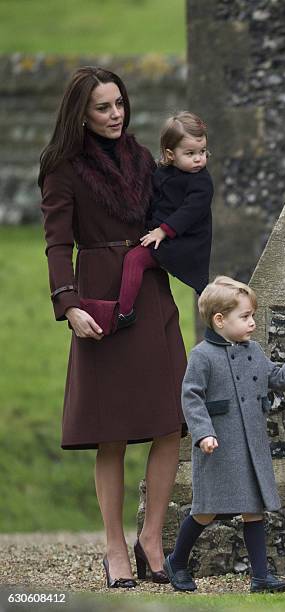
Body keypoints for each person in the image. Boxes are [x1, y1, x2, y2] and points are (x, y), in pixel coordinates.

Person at [39, 66, 187, 588]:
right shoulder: (62, 168)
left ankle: (151, 538)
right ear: (81, 113)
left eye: (119, 103)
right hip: (101, 299)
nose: (115, 114)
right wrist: (69, 303)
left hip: (150, 293)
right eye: (103, 107)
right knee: (112, 433)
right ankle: (113, 548)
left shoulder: (142, 157)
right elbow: (58, 243)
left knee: (172, 419)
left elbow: (174, 211)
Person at [163, 276, 285, 593]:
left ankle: (260, 577)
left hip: (251, 448)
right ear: (219, 320)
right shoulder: (202, 355)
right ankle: (177, 561)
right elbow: (190, 397)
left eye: (252, 316)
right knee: (205, 510)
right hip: (217, 448)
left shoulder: (255, 351)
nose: (251, 322)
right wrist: (203, 433)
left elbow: (280, 378)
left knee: (253, 509)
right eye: (245, 316)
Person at [116, 111, 214, 328]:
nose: (199, 158)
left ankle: (124, 312)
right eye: (190, 153)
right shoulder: (162, 173)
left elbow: (190, 211)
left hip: (183, 242)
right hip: (163, 234)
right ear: (170, 155)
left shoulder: (201, 182)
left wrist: (163, 230)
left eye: (203, 151)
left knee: (135, 259)